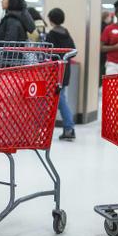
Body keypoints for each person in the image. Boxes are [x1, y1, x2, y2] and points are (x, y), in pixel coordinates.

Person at [46, 8, 76, 141]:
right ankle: (68, 128)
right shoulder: (66, 33)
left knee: (60, 99)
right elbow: (73, 51)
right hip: (66, 69)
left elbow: (47, 52)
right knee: (60, 97)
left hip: (55, 70)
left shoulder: (51, 34)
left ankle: (69, 127)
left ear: (51, 20)